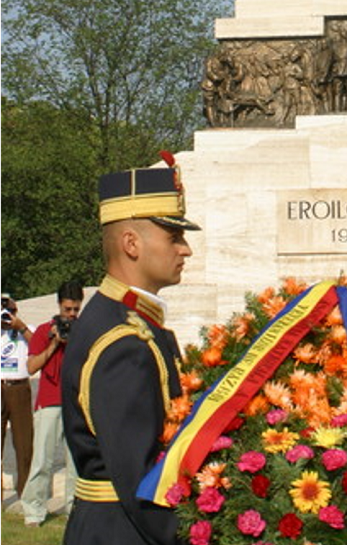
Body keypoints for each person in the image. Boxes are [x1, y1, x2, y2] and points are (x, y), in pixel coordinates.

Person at [62, 156, 200, 545]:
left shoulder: (125, 321)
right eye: (174, 237)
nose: (185, 250)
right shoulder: (123, 343)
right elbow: (139, 483)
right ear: (131, 243)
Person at [21, 281, 83, 526]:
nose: (71, 315)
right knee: (42, 461)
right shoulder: (44, 332)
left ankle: (74, 510)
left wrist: (75, 341)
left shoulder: (84, 331)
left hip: (76, 403)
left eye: (76, 310)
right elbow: (31, 367)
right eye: (68, 309)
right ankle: (33, 511)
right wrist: (54, 343)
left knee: (76, 463)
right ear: (59, 305)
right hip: (49, 402)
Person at [1, 294, 35, 498]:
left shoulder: (25, 328)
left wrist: (19, 326)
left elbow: (38, 343)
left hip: (19, 387)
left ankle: (25, 493)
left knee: (24, 442)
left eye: (11, 311)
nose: (7, 316)